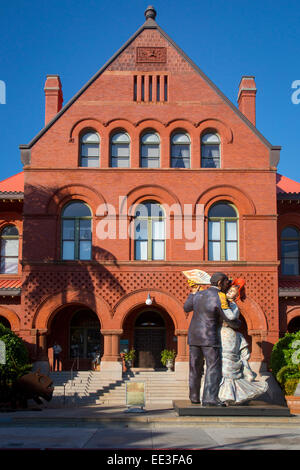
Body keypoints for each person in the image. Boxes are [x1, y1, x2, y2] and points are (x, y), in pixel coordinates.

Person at [184, 272, 241, 407]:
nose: (229, 285)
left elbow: (186, 307)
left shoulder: (198, 295)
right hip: (209, 337)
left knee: (194, 368)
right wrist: (238, 324)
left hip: (193, 336)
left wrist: (192, 293)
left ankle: (194, 396)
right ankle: (210, 399)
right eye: (227, 282)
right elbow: (229, 317)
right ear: (220, 283)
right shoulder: (220, 297)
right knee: (213, 367)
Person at [218, 279, 268, 405]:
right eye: (229, 291)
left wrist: (224, 306)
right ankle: (219, 394)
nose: (231, 294)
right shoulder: (219, 301)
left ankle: (229, 396)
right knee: (219, 362)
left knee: (228, 360)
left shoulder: (233, 306)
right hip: (219, 333)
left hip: (228, 335)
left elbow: (231, 317)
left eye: (234, 294)